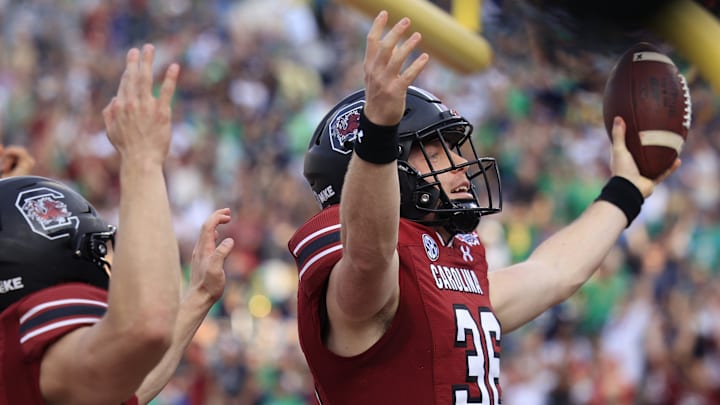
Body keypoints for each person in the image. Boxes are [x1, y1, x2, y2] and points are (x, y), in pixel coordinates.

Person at [287, 11, 681, 404]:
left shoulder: (444, 269)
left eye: (454, 148)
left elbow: (555, 272)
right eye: (436, 153)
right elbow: (369, 255)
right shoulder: (364, 277)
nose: (459, 165)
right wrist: (377, 132)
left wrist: (627, 190)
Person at [0, 44, 235, 405]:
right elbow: (142, 331)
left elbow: (125, 384)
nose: (111, 263)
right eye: (102, 251)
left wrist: (198, 296)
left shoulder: (44, 368)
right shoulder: (21, 340)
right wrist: (142, 156)